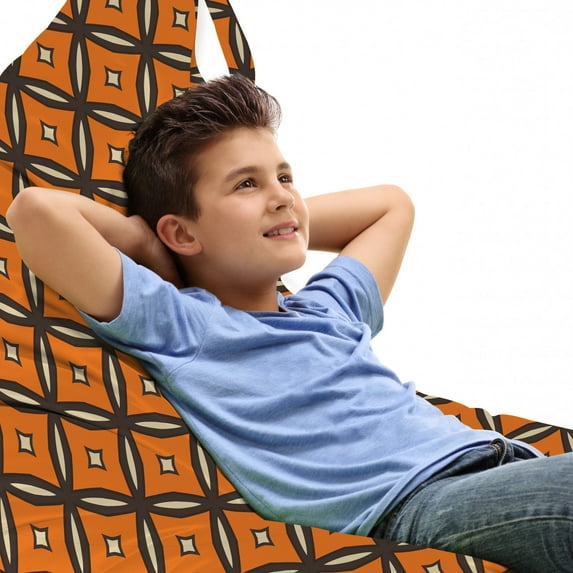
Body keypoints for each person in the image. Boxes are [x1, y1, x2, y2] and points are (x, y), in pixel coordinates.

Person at [7, 74, 572, 572]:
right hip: (416, 502)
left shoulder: (330, 308)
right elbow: (35, 212)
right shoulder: (189, 328)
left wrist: (277, 217)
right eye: (246, 184)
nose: (281, 196)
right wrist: (150, 245)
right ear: (180, 231)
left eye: (284, 177)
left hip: (503, 462)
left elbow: (391, 205)